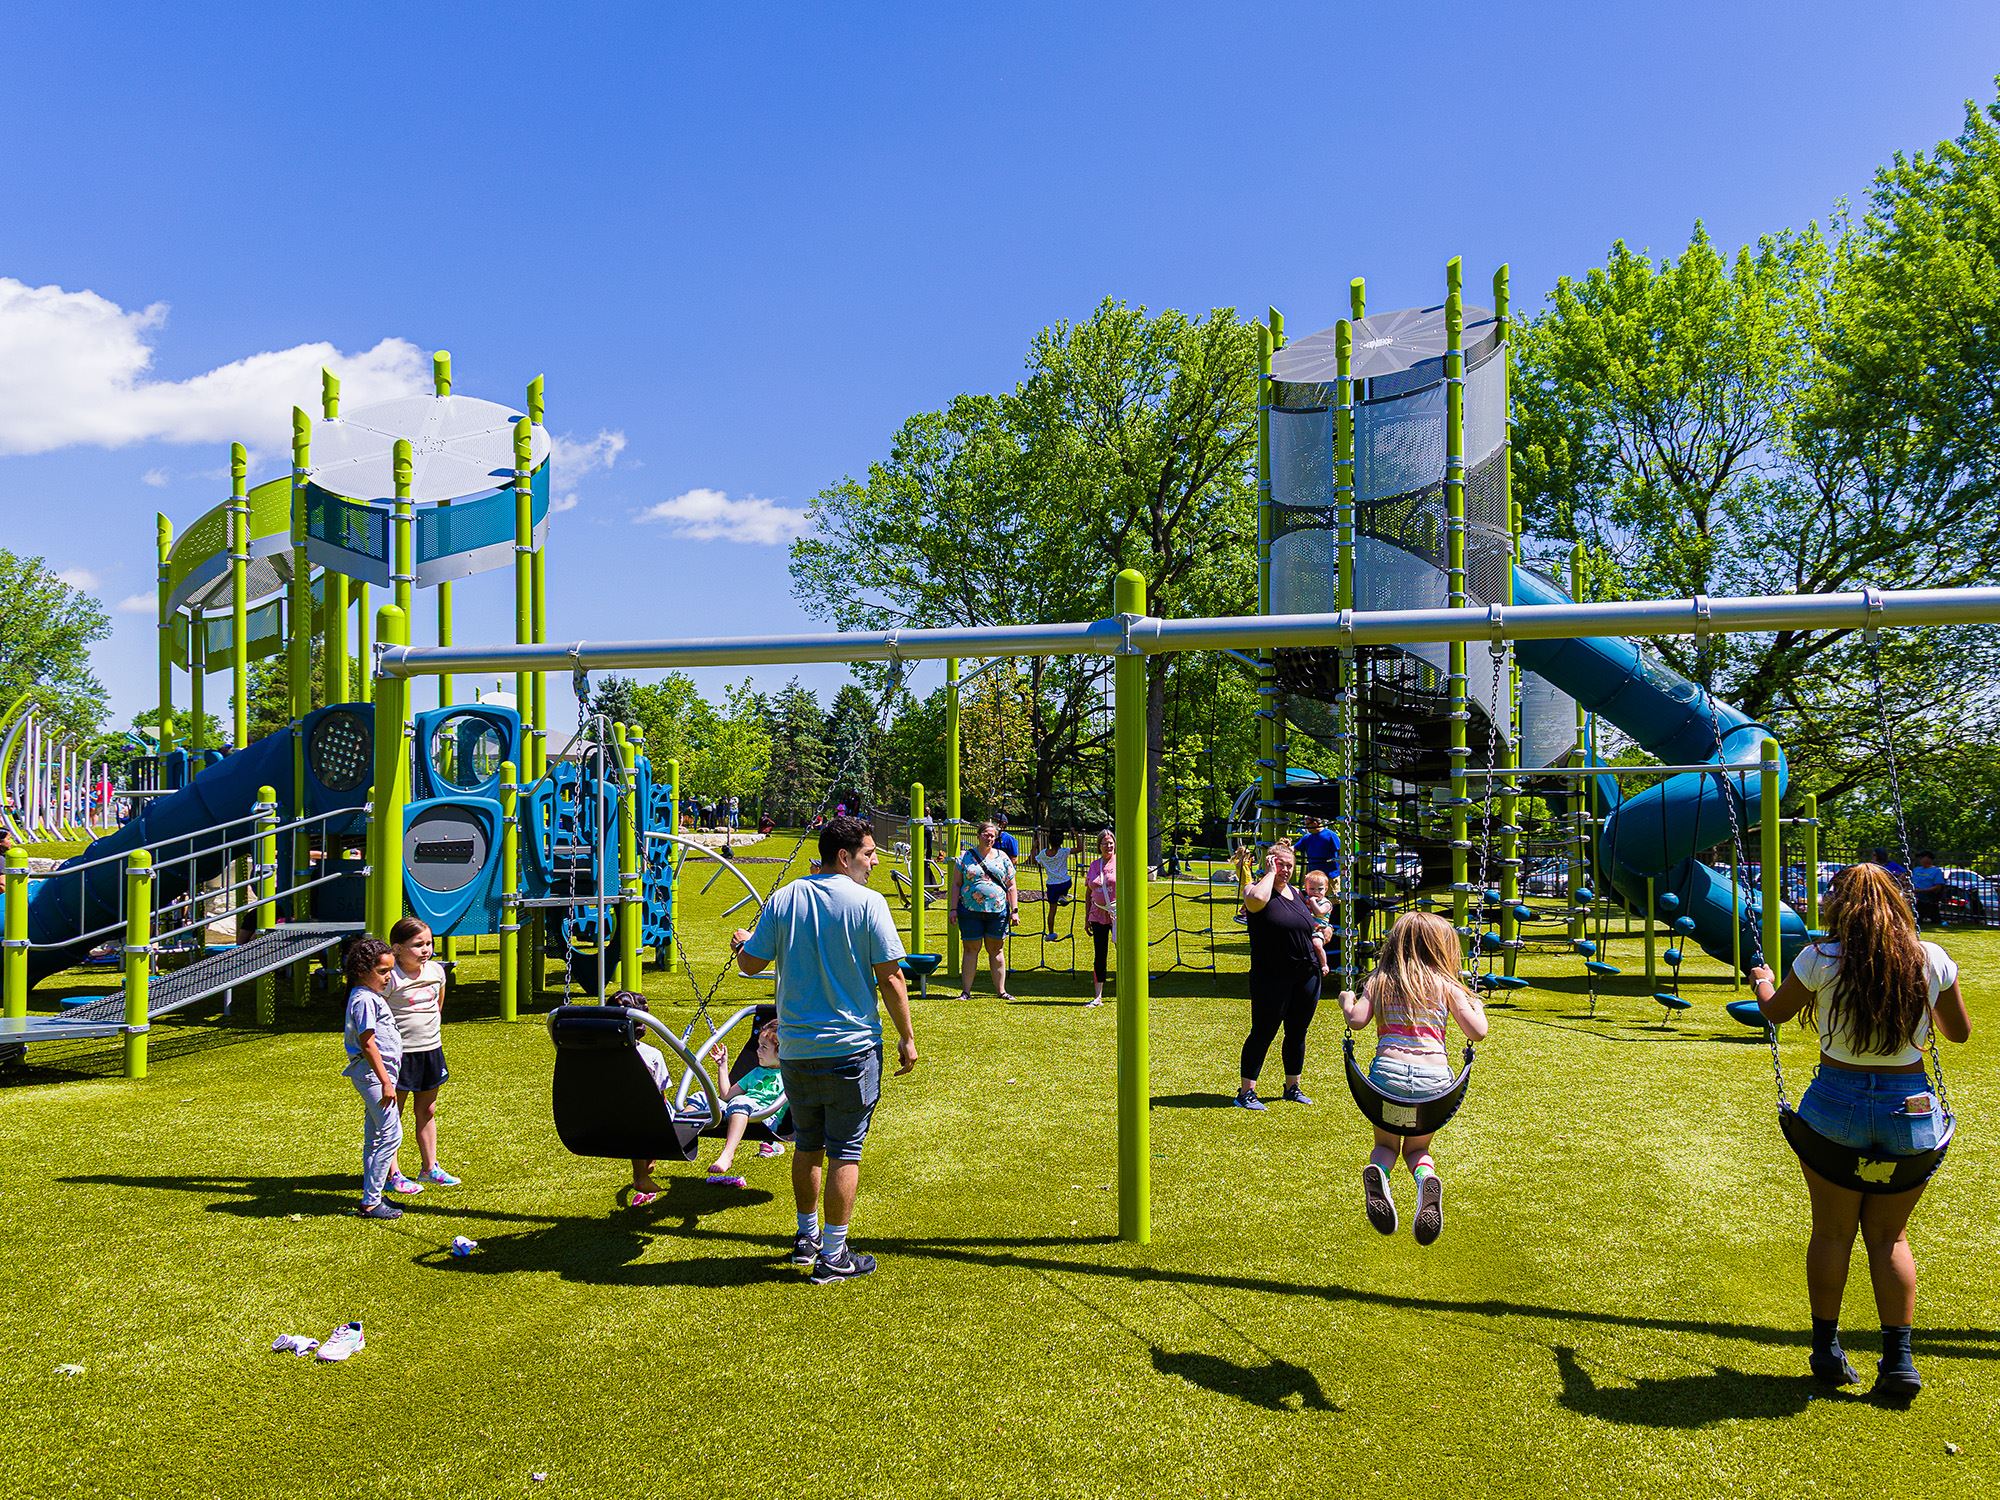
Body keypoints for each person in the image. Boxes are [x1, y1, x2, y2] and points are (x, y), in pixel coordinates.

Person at [1751, 862, 1970, 1399]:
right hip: (1910, 1105)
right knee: (1890, 1236)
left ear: (1838, 906)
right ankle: (1898, 1362)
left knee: (1831, 1232)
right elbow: (1959, 1033)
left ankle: (1826, 1350)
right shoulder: (1930, 958)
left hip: (1835, 1103)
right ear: (1898, 903)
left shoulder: (1820, 958)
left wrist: (1762, 982)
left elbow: (1776, 1014)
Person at [732, 815, 916, 1284]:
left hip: (795, 1050)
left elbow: (750, 964)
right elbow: (891, 976)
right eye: (870, 853)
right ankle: (833, 1254)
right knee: (845, 1151)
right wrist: (907, 1037)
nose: (875, 862)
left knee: (807, 1145)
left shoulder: (785, 896)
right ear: (845, 856)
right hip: (851, 1050)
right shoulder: (869, 903)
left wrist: (740, 945)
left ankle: (805, 1237)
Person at [1338, 911, 1489, 1245]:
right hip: (1432, 1082)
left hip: (1387, 1080)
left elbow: (1357, 1021)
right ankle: (1425, 1181)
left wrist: (1347, 1000)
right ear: (1443, 947)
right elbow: (1477, 1032)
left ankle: (1379, 1172)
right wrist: (1476, 1007)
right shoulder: (1446, 984)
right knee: (1417, 1147)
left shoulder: (1381, 978)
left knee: (1385, 1144)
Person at [1236, 840, 1324, 1111]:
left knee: (1297, 1031)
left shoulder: (1297, 894)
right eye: (1280, 865)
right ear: (1270, 864)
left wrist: (1322, 932)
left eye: (1289, 865)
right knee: (1263, 1031)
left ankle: (1292, 1086)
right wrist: (1271, 873)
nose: (1286, 870)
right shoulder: (1255, 890)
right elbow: (1257, 901)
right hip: (1271, 976)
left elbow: (1310, 925)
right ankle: (1246, 1092)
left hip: (1306, 973)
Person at [383, 917, 458, 1189]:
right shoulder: (390, 977)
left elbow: (438, 1005)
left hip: (431, 1050)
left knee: (427, 1109)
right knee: (393, 1114)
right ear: (397, 948)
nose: (425, 949)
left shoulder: (436, 971)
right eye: (417, 945)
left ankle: (429, 1168)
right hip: (399, 1056)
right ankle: (392, 1174)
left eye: (428, 943)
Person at [340, 938, 406, 1221]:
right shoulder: (364, 999)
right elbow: (368, 1044)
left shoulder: (369, 996)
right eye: (382, 971)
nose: (388, 976)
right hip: (374, 1077)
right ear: (361, 970)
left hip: (379, 1075)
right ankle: (371, 1202)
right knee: (392, 1135)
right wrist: (387, 1082)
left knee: (375, 1136)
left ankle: (373, 1191)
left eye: (390, 970)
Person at [608, 990, 677, 1207]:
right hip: (644, 1118)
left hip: (603, 1114)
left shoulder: (597, 1054)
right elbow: (660, 1095)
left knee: (634, 1113)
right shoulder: (652, 1055)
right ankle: (642, 1175)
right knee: (651, 1115)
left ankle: (644, 1171)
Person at [704, 1017, 788, 1185]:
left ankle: (727, 1154)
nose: (758, 1051)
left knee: (741, 1101)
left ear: (782, 1051)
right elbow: (726, 1095)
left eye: (764, 1047)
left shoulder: (789, 1074)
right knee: (701, 1097)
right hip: (738, 1109)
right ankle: (675, 1140)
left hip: (764, 1117)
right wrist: (722, 1066)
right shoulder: (755, 1072)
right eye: (758, 1046)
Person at [950, 819, 1019, 1000]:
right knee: (971, 949)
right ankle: (966, 992)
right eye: (986, 835)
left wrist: (1015, 910)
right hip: (970, 910)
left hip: (997, 911)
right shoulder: (965, 857)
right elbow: (956, 884)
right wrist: (953, 909)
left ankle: (1001, 991)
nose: (989, 838)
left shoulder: (1003, 857)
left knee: (996, 949)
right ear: (978, 835)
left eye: (992, 836)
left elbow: (1011, 886)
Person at [1084, 830, 1116, 1008]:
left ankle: (1127, 990)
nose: (1108, 846)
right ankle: (1098, 996)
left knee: (1124, 952)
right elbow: (1088, 891)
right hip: (1097, 915)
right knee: (1100, 954)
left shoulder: (1121, 863)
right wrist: (1086, 916)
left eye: (1110, 842)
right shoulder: (1094, 865)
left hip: (1118, 915)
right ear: (1099, 846)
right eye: (1105, 843)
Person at [1033, 829, 1075, 938]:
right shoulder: (1064, 852)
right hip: (1065, 883)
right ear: (1061, 841)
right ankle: (1063, 895)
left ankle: (1051, 933)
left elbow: (1034, 861)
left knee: (1052, 910)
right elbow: (1080, 848)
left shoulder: (1043, 854)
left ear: (1049, 841)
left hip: (1052, 886)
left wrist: (1034, 846)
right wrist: (1076, 835)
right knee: (1068, 882)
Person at [1301, 869, 1335, 977]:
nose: (1316, 892)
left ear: (1326, 889)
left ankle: (1324, 964)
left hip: (1319, 929)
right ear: (1306, 889)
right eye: (1312, 889)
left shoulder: (1326, 903)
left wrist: (1312, 902)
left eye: (1320, 889)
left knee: (1316, 944)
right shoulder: (1305, 898)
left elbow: (1319, 913)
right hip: (1307, 929)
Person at [1294, 815, 1341, 881]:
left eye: (1307, 824)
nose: (1305, 827)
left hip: (1330, 877)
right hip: (1313, 877)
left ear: (1314, 823)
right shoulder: (1307, 837)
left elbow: (1340, 851)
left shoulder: (1330, 835)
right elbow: (1293, 849)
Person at [1909, 852, 1948, 925]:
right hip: (1914, 894)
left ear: (1928, 858)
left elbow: (1938, 887)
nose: (1920, 860)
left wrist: (1921, 890)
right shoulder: (1916, 869)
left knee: (1920, 904)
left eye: (1922, 857)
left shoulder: (1936, 871)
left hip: (1927, 895)